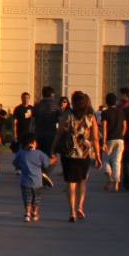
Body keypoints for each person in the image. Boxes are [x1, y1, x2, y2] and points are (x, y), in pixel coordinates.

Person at [52, 91, 104, 223]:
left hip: (69, 153)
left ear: (73, 102)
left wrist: (53, 148)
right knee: (82, 180)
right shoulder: (90, 117)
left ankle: (72, 212)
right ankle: (80, 206)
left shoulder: (67, 115)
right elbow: (95, 138)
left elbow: (59, 133)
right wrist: (98, 156)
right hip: (85, 153)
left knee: (71, 182)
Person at [13, 135, 49, 223]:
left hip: (25, 182)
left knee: (27, 198)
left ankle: (27, 213)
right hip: (37, 182)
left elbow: (15, 163)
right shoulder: (40, 153)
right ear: (34, 143)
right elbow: (46, 164)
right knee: (36, 198)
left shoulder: (20, 153)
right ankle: (35, 212)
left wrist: (20, 166)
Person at [101, 93, 128, 191]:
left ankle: (110, 178)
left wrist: (103, 141)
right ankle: (116, 183)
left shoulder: (105, 112)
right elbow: (125, 126)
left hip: (109, 139)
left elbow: (104, 127)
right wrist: (122, 135)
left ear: (106, 102)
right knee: (117, 161)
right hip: (120, 139)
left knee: (106, 160)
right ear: (116, 101)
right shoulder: (121, 112)